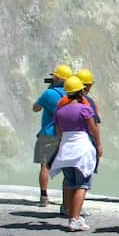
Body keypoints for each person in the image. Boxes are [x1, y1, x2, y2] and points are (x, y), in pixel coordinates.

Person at [48, 75, 102, 232]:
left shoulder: (60, 111)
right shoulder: (85, 109)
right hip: (81, 149)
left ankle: (72, 215)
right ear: (80, 92)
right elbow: (93, 128)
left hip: (65, 150)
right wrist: (98, 145)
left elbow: (58, 132)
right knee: (82, 185)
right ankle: (75, 219)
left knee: (71, 184)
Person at [32, 64, 73, 207]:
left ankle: (44, 196)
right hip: (67, 135)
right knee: (67, 168)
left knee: (45, 166)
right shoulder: (72, 94)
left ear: (56, 78)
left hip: (48, 134)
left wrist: (48, 92)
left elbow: (35, 108)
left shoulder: (49, 93)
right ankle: (67, 200)